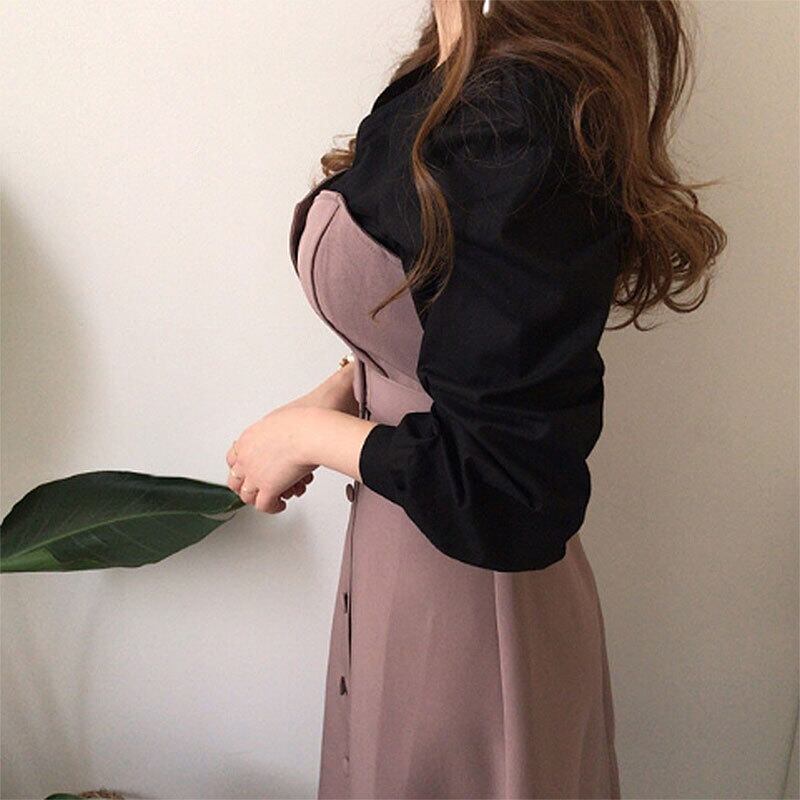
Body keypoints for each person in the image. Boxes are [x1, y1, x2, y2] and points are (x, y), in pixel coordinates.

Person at [226, 1, 726, 797]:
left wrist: (308, 436)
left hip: (465, 600)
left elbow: (509, 487)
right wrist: (341, 391)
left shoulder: (516, 110)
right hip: (408, 551)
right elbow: (429, 317)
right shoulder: (453, 63)